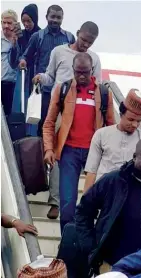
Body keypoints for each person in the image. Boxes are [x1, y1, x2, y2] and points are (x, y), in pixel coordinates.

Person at [74, 137, 141, 277]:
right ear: (135, 157)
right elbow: (83, 212)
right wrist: (90, 247)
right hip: (112, 265)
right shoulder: (113, 181)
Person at [43, 52, 115, 234]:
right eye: (78, 72)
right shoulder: (63, 89)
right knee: (67, 204)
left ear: (92, 70)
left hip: (94, 154)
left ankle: (86, 244)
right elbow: (49, 122)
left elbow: (112, 126)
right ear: (73, 70)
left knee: (91, 203)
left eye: (85, 72)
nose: (81, 76)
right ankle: (67, 244)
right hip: (69, 152)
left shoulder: (104, 93)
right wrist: (49, 149)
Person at [19, 5, 75, 219]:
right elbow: (26, 56)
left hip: (64, 100)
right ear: (47, 17)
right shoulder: (38, 37)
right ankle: (35, 182)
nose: (55, 20)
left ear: (62, 18)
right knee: (42, 142)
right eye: (52, 17)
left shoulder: (68, 37)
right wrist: (23, 62)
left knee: (58, 146)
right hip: (43, 96)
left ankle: (55, 199)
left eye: (59, 17)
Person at [84, 89, 141, 193]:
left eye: (139, 121)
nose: (135, 125)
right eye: (131, 119)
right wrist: (85, 203)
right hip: (103, 193)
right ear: (121, 114)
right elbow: (92, 171)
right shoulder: (101, 135)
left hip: (129, 197)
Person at [32, 21, 101, 93]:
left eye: (90, 42)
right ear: (77, 33)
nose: (86, 45)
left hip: (80, 102)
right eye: (83, 40)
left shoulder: (94, 59)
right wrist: (41, 78)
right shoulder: (58, 51)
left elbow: (97, 85)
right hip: (58, 102)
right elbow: (50, 77)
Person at [9, 4, 41, 136]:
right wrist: (15, 43)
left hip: (36, 80)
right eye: (24, 21)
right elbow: (13, 63)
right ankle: (18, 137)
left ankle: (32, 139)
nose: (26, 24)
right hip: (22, 79)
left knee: (34, 110)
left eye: (29, 21)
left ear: (35, 19)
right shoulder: (20, 36)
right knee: (20, 107)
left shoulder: (41, 35)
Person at [1, 10, 18, 116]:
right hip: (1, 82)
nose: (6, 26)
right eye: (3, 22)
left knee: (10, 116)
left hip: (15, 85)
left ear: (15, 24)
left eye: (9, 23)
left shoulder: (19, 38)